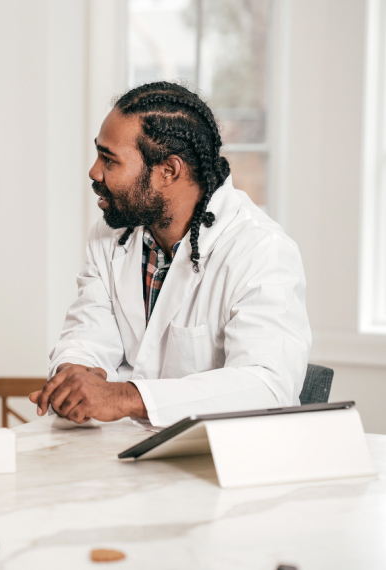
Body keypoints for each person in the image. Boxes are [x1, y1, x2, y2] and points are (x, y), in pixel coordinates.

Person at [31, 82, 311, 428]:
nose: (94, 172)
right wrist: (73, 372)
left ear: (169, 171)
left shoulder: (260, 249)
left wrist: (125, 397)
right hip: (125, 456)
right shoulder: (111, 234)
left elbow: (268, 385)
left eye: (109, 160)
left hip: (225, 463)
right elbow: (88, 334)